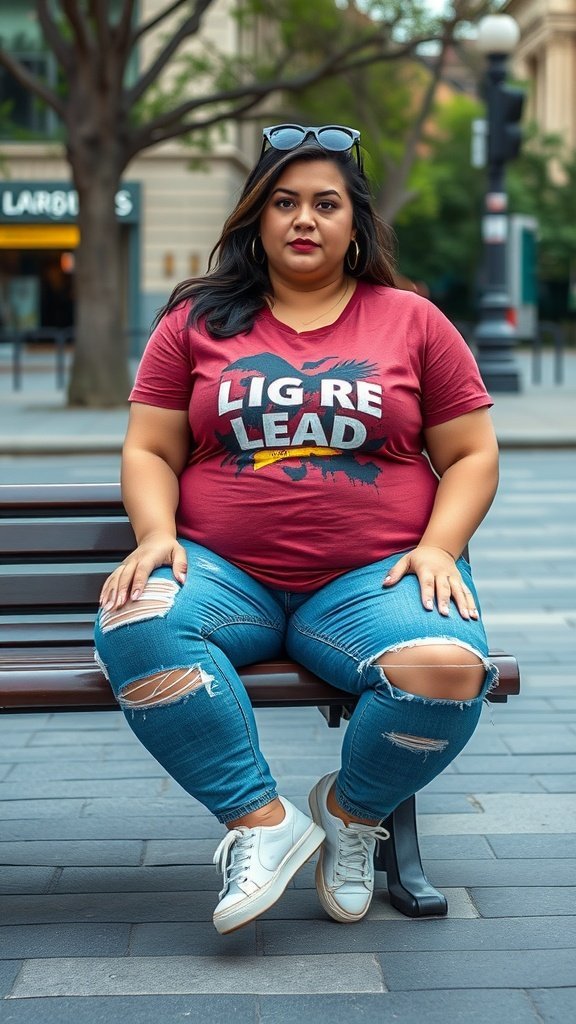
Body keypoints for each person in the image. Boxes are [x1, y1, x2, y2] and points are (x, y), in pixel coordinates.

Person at [94, 123, 499, 936]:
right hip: (222, 573)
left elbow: (471, 454)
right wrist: (155, 532)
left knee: (449, 670)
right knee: (135, 620)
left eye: (325, 203)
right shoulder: (195, 321)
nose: (304, 219)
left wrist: (439, 547)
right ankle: (263, 823)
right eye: (284, 202)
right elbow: (149, 447)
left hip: (373, 579)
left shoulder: (413, 322)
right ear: (257, 218)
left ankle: (352, 815)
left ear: (356, 223)